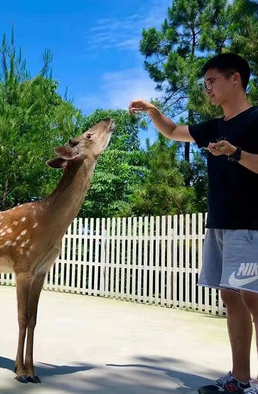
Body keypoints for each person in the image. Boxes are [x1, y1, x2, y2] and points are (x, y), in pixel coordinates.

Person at [129, 52, 258, 394]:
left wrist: (235, 153)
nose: (207, 90)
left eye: (212, 81)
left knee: (254, 299)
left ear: (235, 79)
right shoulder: (213, 127)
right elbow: (172, 132)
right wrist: (154, 112)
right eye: (204, 85)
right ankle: (241, 379)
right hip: (219, 225)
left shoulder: (257, 119)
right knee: (231, 299)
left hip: (251, 226)